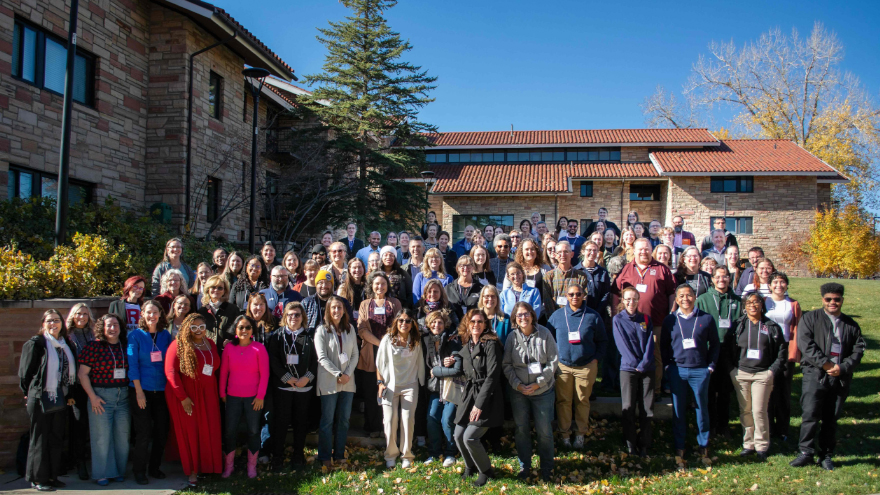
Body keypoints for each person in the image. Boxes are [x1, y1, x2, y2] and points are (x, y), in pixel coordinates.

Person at [790, 283, 866, 471]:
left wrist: (843, 367)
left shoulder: (851, 325)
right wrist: (826, 364)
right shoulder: (810, 319)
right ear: (822, 299)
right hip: (815, 374)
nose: (833, 302)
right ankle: (806, 452)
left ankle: (826, 455)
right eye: (828, 299)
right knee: (810, 414)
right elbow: (806, 344)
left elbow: (858, 350)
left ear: (842, 300)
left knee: (831, 418)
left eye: (837, 299)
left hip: (840, 377)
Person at [18, 309, 77, 491]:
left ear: (62, 323)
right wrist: (30, 393)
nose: (53, 324)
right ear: (43, 324)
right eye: (49, 321)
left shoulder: (66, 344)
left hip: (60, 397)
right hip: (40, 398)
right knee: (40, 439)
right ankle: (38, 478)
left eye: (57, 320)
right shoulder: (36, 344)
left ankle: (52, 476)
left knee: (56, 438)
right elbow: (24, 374)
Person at [724, 293, 787, 461]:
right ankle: (748, 443)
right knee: (745, 410)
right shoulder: (737, 326)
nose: (753, 305)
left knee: (759, 410)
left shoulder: (771, 326)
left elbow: (781, 352)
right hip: (741, 373)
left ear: (762, 304)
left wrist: (771, 371)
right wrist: (732, 370)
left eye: (756, 302)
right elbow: (727, 351)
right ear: (744, 306)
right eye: (749, 302)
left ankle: (761, 445)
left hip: (762, 374)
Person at [661, 285, 720, 461]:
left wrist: (710, 367)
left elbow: (715, 344)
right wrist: (667, 367)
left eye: (689, 295)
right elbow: (663, 346)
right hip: (677, 371)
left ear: (695, 297)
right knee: (678, 411)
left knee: (702, 410)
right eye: (681, 296)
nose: (685, 299)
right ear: (676, 299)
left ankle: (703, 445)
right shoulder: (670, 320)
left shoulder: (706, 319)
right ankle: (680, 446)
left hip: (699, 371)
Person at [613, 238, 677, 398]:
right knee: (631, 354)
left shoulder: (662, 269)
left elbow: (672, 294)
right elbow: (615, 292)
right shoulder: (627, 269)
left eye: (647, 248)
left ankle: (654, 390)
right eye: (640, 249)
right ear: (633, 251)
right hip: (630, 323)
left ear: (651, 250)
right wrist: (615, 315)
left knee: (654, 356)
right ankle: (634, 390)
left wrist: (670, 316)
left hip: (656, 322)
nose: (643, 252)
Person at [164, 313, 223, 487]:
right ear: (187, 328)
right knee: (190, 432)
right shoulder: (178, 345)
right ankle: (192, 472)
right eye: (194, 327)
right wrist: (183, 398)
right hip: (186, 395)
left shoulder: (210, 343)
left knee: (208, 429)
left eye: (201, 327)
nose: (198, 330)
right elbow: (170, 373)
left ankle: (207, 466)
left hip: (208, 394)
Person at [546, 283, 607, 450]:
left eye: (578, 294)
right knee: (563, 401)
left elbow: (602, 341)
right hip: (563, 366)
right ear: (566, 296)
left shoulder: (593, 316)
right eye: (571, 294)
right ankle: (564, 434)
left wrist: (595, 360)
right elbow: (548, 340)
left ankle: (580, 434)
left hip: (586, 366)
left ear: (584, 295)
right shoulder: (557, 316)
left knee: (582, 401)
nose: (575, 297)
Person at [503, 301, 558, 482]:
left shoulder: (545, 334)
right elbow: (507, 365)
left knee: (544, 431)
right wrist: (517, 385)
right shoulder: (512, 338)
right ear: (515, 319)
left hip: (542, 391)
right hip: (519, 392)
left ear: (532, 315)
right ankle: (524, 466)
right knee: (521, 430)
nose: (523, 318)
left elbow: (552, 362)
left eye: (526, 314)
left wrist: (538, 384)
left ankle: (547, 468)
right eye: (519, 315)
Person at [77, 314, 131, 486]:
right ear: (102, 328)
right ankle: (102, 473)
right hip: (101, 396)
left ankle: (118, 472)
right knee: (101, 437)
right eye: (109, 325)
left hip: (123, 396)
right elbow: (82, 374)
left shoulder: (125, 346)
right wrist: (92, 397)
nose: (113, 328)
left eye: (116, 325)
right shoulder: (94, 347)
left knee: (122, 437)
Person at [455, 309, 504, 487]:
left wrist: (479, 405)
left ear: (485, 325)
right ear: (467, 324)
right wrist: (449, 361)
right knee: (458, 435)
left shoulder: (491, 344)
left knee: (470, 437)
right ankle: (470, 467)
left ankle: (486, 471)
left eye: (480, 322)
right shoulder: (467, 345)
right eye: (473, 321)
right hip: (469, 395)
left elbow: (492, 377)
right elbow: (464, 369)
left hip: (487, 397)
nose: (476, 325)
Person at [266, 302, 318, 470]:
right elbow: (273, 359)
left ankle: (298, 455)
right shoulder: (277, 335)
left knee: (300, 422)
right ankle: (278, 456)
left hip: (304, 387)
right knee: (281, 422)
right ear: (285, 317)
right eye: (290, 315)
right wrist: (287, 378)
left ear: (302, 317)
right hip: (283, 387)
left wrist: (307, 378)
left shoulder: (310, 336)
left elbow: (316, 361)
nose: (293, 318)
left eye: (297, 315)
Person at [126, 300, 173, 484]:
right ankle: (139, 470)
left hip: (161, 391)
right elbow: (133, 365)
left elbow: (169, 363)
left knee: (161, 431)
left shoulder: (165, 336)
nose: (152, 316)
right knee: (143, 433)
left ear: (160, 314)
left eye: (155, 312)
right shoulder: (135, 336)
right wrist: (138, 392)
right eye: (148, 312)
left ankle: (154, 467)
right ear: (142, 315)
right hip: (141, 390)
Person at [219, 315, 269, 478]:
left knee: (254, 431)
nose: (244, 330)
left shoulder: (259, 348)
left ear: (252, 330)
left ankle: (251, 466)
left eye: (248, 327)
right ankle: (229, 466)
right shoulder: (229, 349)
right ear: (235, 329)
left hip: (253, 398)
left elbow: (265, 374)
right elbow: (224, 372)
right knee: (230, 431)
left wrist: (260, 396)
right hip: (232, 397)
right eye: (241, 327)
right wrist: (222, 393)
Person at [695, 266, 742, 439]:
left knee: (725, 391)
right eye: (718, 277)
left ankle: (724, 425)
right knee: (709, 390)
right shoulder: (703, 299)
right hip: (709, 350)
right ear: (712, 279)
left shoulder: (737, 300)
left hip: (730, 351)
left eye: (725, 277)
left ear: (729, 279)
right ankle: (711, 425)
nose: (721, 280)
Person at [357, 272, 404, 437]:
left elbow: (400, 325)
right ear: (371, 285)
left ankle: (389, 427)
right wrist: (380, 344)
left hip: (392, 352)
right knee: (371, 392)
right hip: (371, 352)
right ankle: (373, 427)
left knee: (390, 391)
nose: (380, 287)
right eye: (377, 284)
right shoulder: (364, 304)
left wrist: (388, 344)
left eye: (383, 284)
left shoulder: (395, 303)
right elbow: (361, 329)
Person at [376, 309, 425, 469]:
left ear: (413, 324)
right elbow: (379, 363)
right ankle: (390, 454)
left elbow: (420, 363)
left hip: (410, 386)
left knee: (407, 421)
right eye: (401, 320)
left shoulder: (416, 340)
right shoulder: (387, 340)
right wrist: (380, 383)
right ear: (396, 322)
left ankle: (407, 455)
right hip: (390, 385)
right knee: (389, 421)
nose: (404, 323)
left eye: (408, 321)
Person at [315, 296, 359, 466]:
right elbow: (322, 357)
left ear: (344, 310)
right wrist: (338, 374)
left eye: (339, 307)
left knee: (344, 420)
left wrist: (346, 374)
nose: (336, 311)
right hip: (329, 381)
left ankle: (339, 454)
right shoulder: (321, 331)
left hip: (348, 381)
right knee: (327, 420)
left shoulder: (350, 329)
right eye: (333, 307)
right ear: (328, 310)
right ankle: (325, 456)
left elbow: (355, 354)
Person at [612, 287, 655, 456]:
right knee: (628, 406)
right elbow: (621, 345)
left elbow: (651, 343)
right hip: (628, 369)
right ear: (622, 300)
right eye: (627, 299)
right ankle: (630, 442)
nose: (631, 303)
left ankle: (645, 443)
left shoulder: (645, 318)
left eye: (634, 299)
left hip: (647, 368)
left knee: (647, 408)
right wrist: (634, 363)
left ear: (639, 300)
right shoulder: (618, 320)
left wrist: (644, 363)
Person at [764, 272, 802, 442]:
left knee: (783, 391)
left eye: (782, 282)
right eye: (775, 282)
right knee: (767, 390)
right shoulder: (764, 302)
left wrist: (795, 353)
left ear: (787, 285)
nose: (779, 285)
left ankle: (783, 429)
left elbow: (798, 329)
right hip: (767, 349)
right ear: (769, 285)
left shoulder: (793, 304)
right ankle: (769, 428)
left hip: (786, 348)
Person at [421, 311, 463, 467]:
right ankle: (434, 452)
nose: (436, 325)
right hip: (435, 388)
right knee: (431, 418)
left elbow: (458, 364)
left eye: (439, 322)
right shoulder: (426, 341)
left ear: (445, 324)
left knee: (447, 420)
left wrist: (448, 363)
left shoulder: (452, 340)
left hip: (451, 387)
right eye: (433, 322)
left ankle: (451, 453)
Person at [65, 303, 95, 480]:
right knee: (78, 425)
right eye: (78, 314)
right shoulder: (67, 337)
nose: (82, 317)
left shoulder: (93, 334)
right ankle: (79, 462)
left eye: (85, 314)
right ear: (72, 315)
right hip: (76, 387)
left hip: (94, 384)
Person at [541, 240, 588, 316]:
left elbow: (583, 299)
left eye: (566, 251)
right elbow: (547, 302)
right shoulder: (548, 277)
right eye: (559, 252)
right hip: (555, 320)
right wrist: (555, 319)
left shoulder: (581, 276)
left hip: (575, 317)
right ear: (555, 255)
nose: (563, 255)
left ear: (572, 254)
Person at [197, 275, 241, 351]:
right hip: (208, 352)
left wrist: (233, 341)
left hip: (228, 352)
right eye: (213, 287)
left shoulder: (233, 310)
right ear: (208, 289)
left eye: (220, 288)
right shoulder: (202, 311)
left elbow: (239, 332)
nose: (216, 290)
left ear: (224, 291)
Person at [446, 255, 483, 322]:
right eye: (462, 265)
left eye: (468, 265)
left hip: (474, 326)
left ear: (473, 267)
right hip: (454, 327)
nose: (465, 268)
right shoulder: (448, 289)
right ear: (457, 268)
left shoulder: (480, 288)